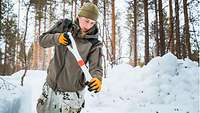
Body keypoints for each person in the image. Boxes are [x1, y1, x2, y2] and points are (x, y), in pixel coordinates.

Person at [36, 2, 103, 113]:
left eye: (92, 23)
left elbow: (96, 67)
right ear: (79, 16)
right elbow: (42, 41)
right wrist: (58, 38)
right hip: (50, 86)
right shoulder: (64, 26)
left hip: (71, 95)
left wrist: (97, 79)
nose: (88, 26)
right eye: (86, 21)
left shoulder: (94, 43)